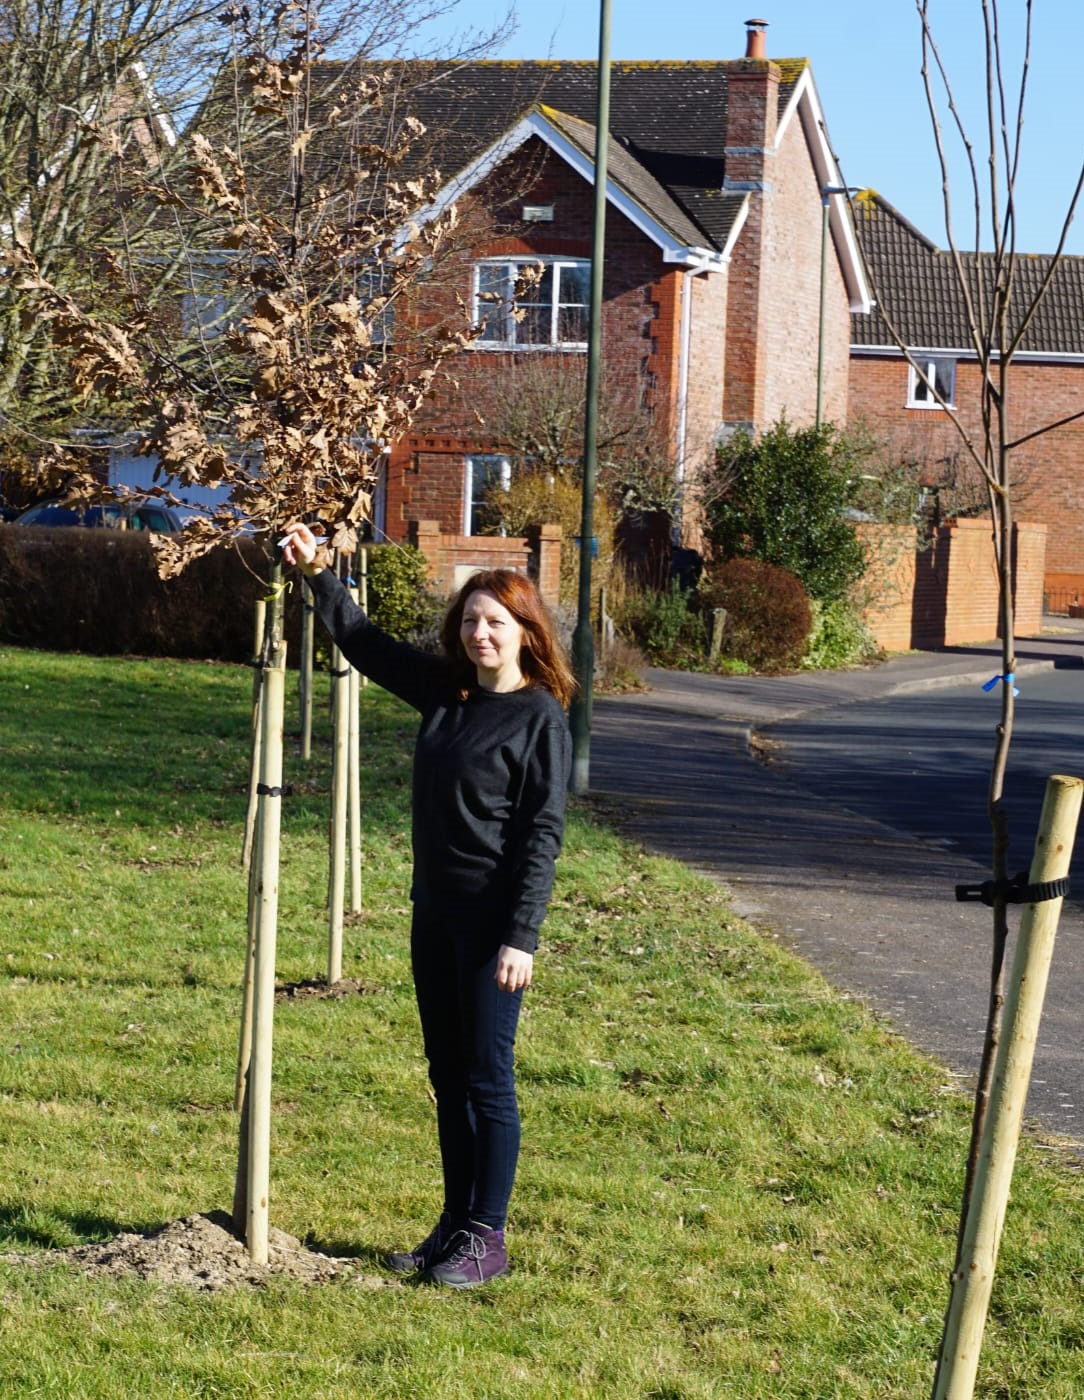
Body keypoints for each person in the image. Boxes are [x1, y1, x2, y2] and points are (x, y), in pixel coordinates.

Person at [281, 524, 574, 1288]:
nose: (481, 633)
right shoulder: (448, 694)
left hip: (492, 928)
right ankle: (455, 1220)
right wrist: (317, 570)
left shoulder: (540, 717)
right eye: (471, 621)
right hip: (433, 914)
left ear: (524, 633)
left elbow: (542, 835)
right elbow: (364, 643)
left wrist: (522, 936)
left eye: (496, 623)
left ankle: (489, 1233)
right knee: (446, 1073)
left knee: (487, 1076)